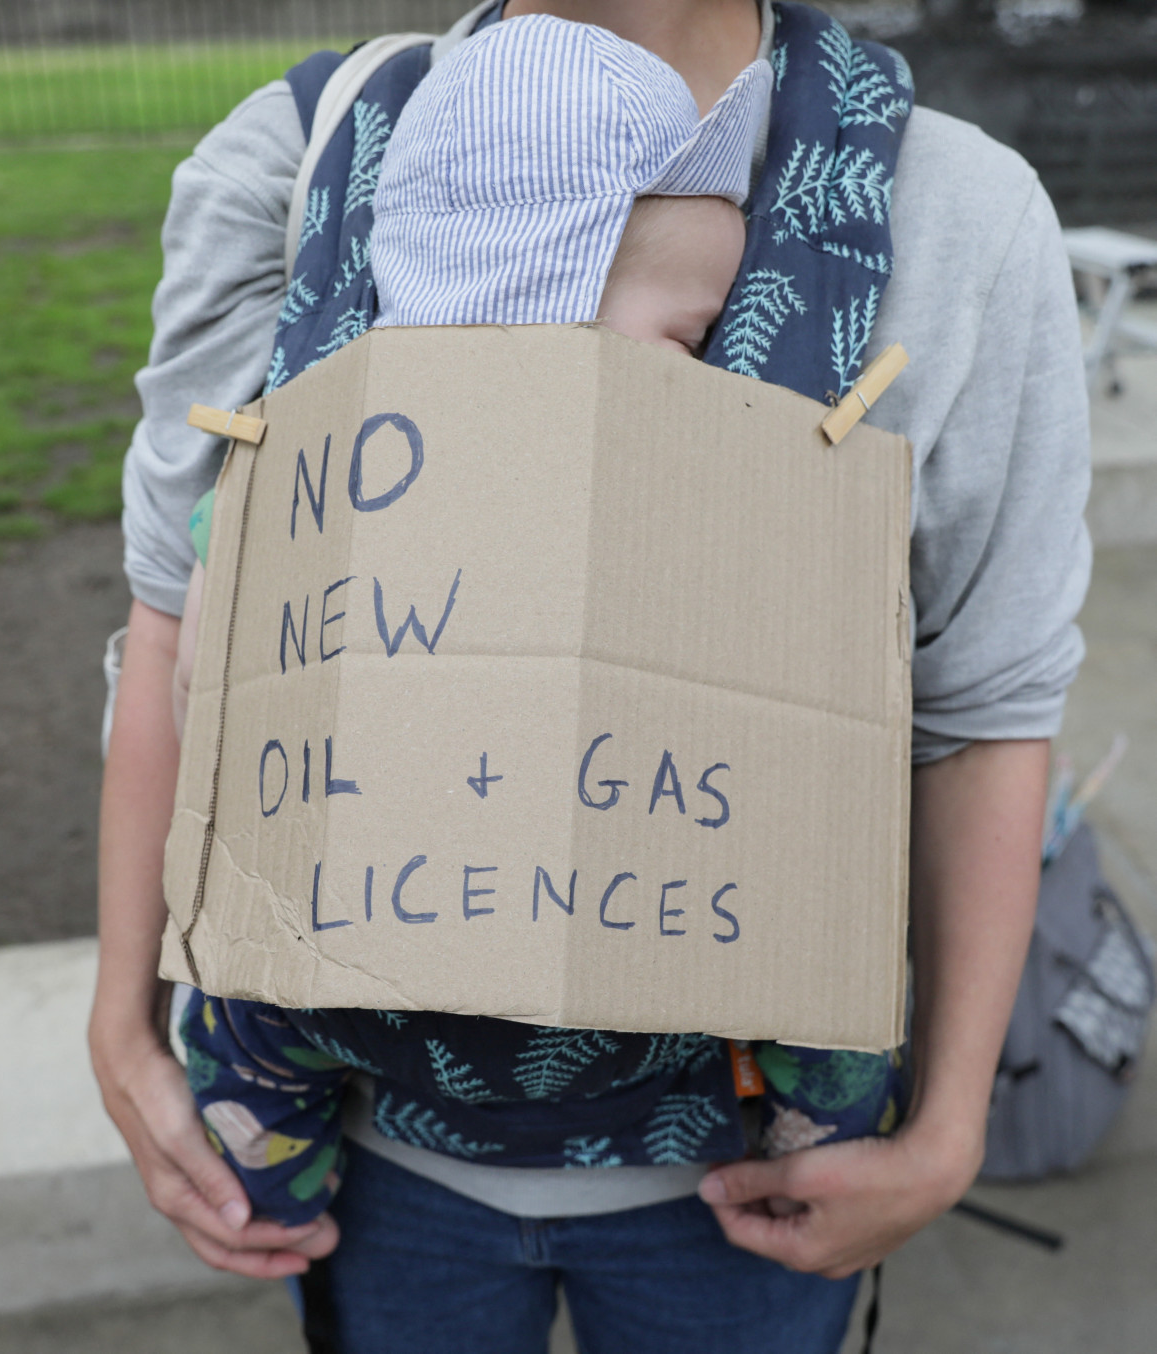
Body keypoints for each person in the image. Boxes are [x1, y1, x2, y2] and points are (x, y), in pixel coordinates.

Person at [92, 0, 1090, 1349]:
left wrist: (949, 1123)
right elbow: (175, 623)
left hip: (740, 1193)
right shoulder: (296, 157)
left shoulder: (953, 209)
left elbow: (983, 704)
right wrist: (123, 1023)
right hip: (385, 1163)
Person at [172, 15, 768, 1228]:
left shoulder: (329, 459)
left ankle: (268, 1180)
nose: (703, 372)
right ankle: (266, 1194)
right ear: (543, 304)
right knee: (829, 1031)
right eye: (685, 335)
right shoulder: (395, 481)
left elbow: (209, 647)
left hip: (364, 935)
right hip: (396, 918)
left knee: (242, 1036)